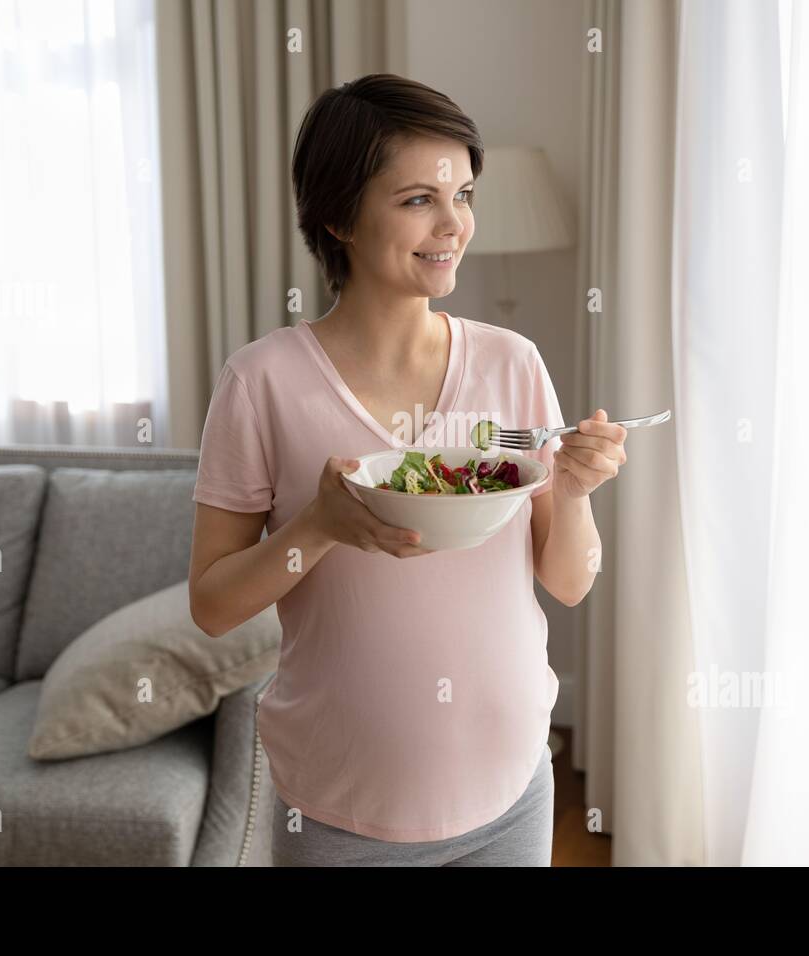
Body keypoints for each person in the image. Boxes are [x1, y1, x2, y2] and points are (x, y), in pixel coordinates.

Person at [188, 73, 628, 866]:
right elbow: (213, 606)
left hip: (512, 789)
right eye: (418, 198)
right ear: (336, 215)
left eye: (463, 193)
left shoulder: (512, 363)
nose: (453, 223)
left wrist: (573, 489)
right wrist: (318, 527)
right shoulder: (261, 382)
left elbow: (569, 581)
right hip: (339, 810)